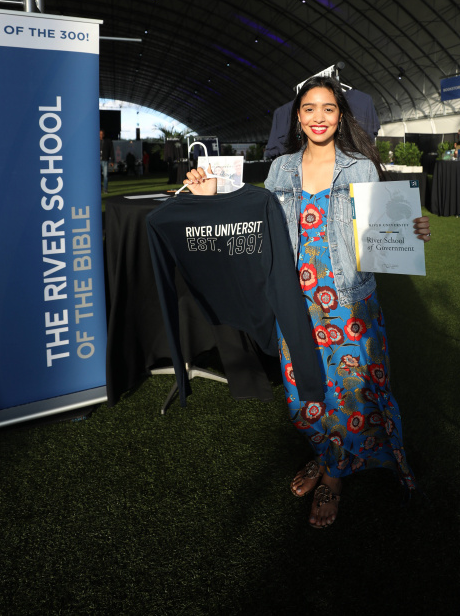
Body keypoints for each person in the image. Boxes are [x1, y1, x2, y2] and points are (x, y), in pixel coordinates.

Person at [184, 76, 431, 528]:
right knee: (303, 392)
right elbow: (255, 226)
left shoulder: (360, 168)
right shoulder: (281, 170)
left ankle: (333, 476)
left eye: (329, 109)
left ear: (341, 116)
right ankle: (326, 452)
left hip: (349, 299)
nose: (319, 117)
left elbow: (382, 230)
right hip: (293, 299)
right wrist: (210, 199)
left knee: (351, 390)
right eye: (310, 109)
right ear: (297, 118)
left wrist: (411, 230)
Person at [99, 129, 114, 193]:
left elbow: (111, 151)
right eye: (100, 134)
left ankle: (105, 189)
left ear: (104, 135)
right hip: (97, 161)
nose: (101, 135)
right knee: (97, 176)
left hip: (105, 160)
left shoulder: (108, 141)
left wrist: (112, 161)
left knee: (105, 176)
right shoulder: (95, 141)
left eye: (102, 134)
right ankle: (99, 188)